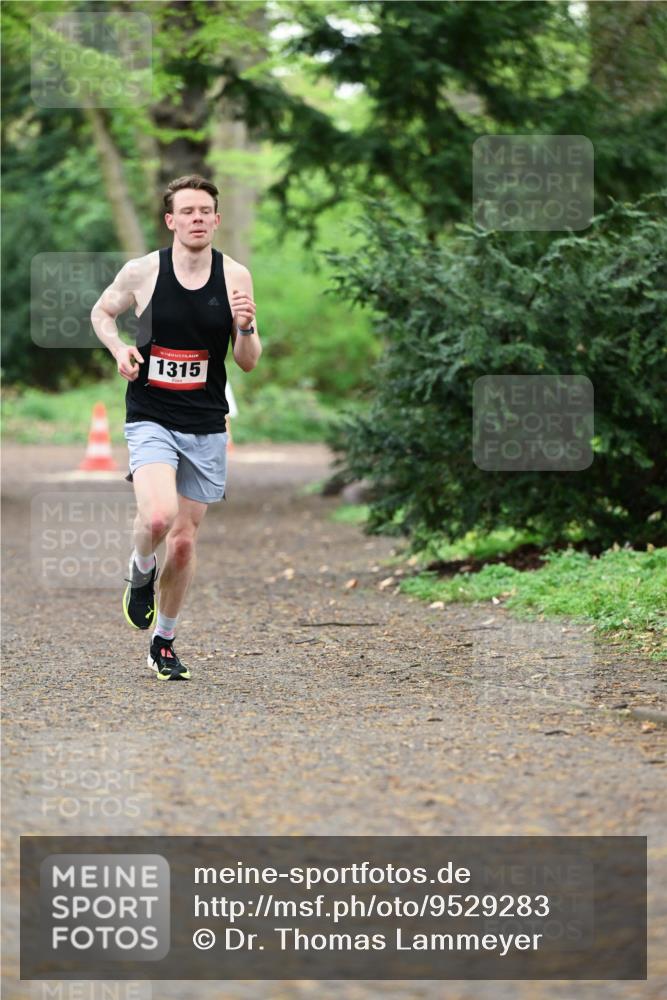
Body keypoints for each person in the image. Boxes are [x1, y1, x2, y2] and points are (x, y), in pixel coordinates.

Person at [91, 175, 261, 680]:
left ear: (217, 219)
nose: (197, 218)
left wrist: (246, 327)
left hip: (206, 422)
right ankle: (141, 569)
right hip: (151, 415)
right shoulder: (143, 271)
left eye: (205, 211)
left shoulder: (235, 276)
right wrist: (119, 348)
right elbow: (102, 312)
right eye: (187, 211)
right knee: (159, 518)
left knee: (184, 542)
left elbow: (248, 360)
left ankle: (162, 642)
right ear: (171, 220)